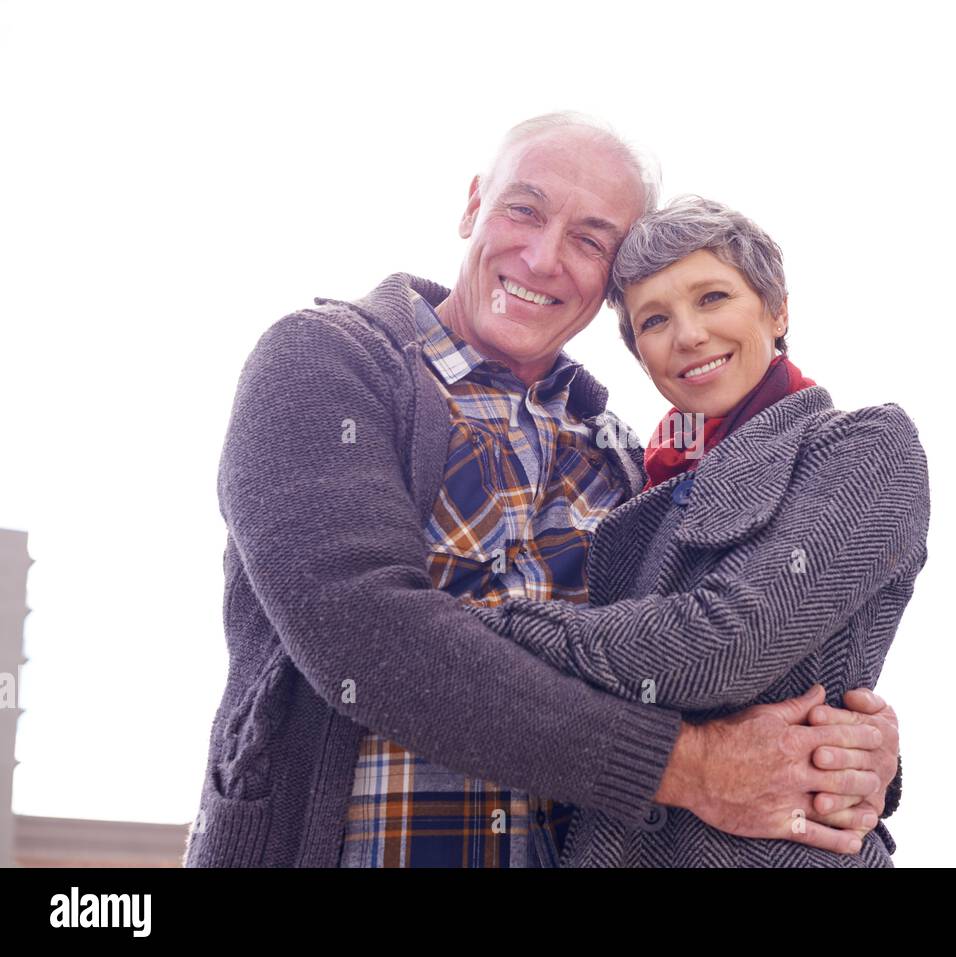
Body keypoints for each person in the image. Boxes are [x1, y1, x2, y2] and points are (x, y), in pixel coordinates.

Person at [184, 114, 902, 869]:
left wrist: (847, 755)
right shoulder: (329, 360)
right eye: (524, 209)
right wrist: (692, 769)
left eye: (592, 239)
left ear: (613, 280)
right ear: (472, 206)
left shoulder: (626, 464)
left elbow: (711, 662)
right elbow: (357, 627)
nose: (544, 255)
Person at [462, 196, 930, 866]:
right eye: (655, 319)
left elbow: (728, 643)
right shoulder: (636, 481)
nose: (687, 335)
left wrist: (478, 630)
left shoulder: (859, 445)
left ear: (777, 309)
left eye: (713, 297)